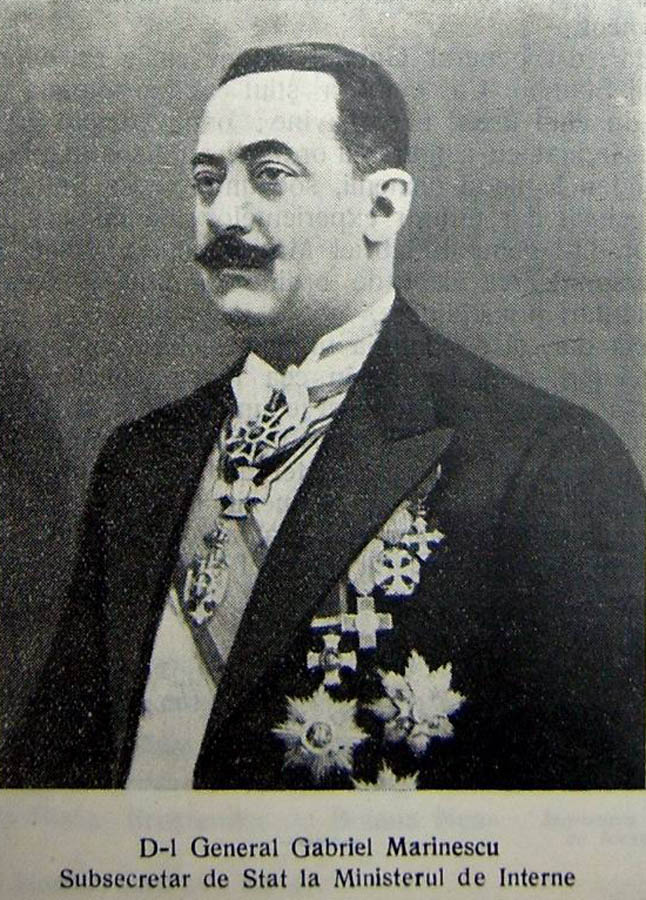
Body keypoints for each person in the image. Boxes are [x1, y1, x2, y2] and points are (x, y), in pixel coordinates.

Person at [5, 43, 643, 790]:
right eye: (207, 180)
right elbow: (51, 782)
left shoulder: (544, 462)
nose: (223, 214)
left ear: (383, 205)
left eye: (270, 174)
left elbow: (600, 820)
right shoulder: (142, 459)